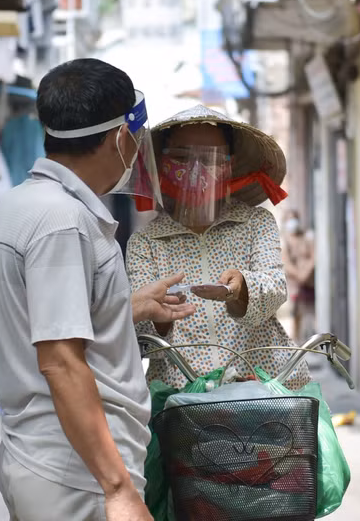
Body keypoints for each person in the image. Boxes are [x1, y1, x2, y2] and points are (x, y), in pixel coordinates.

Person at [0, 58, 196, 521]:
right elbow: (59, 361)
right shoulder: (63, 222)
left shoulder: (17, 206)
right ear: (122, 137)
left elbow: (38, 316)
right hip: (78, 474)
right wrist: (117, 487)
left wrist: (127, 307)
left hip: (44, 460)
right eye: (136, 139)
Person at [126, 105, 311, 391]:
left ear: (230, 166)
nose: (196, 169)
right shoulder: (145, 243)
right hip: (182, 397)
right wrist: (158, 317)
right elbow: (142, 338)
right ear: (163, 164)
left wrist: (241, 288)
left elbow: (275, 287)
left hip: (261, 387)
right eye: (182, 157)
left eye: (210, 159)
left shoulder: (255, 223)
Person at [282, 210, 315, 342]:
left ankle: (314, 341)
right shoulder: (285, 241)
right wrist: (299, 276)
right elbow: (286, 263)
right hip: (294, 285)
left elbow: (313, 257)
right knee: (296, 315)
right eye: (289, 219)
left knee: (312, 313)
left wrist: (306, 274)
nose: (292, 222)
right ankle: (297, 342)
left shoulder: (307, 237)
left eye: (294, 218)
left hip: (309, 283)